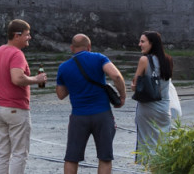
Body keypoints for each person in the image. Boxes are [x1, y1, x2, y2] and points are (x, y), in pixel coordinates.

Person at [55, 34, 127, 174]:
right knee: (105, 157)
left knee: (72, 157)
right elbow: (116, 76)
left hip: (78, 116)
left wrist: (74, 82)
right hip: (102, 114)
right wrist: (122, 96)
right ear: (89, 47)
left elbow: (61, 94)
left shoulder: (63, 67)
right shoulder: (99, 58)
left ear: (71, 48)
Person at [0, 19, 47, 174]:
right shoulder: (16, 54)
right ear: (17, 35)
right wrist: (37, 79)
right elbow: (17, 78)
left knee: (3, 153)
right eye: (27, 35)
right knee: (19, 153)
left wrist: (2, 93)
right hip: (15, 108)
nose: (30, 37)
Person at [131, 31, 173, 165]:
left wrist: (133, 83)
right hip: (164, 109)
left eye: (143, 42)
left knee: (146, 145)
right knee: (162, 143)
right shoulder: (168, 60)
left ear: (152, 43)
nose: (140, 44)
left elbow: (135, 85)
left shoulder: (144, 60)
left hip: (147, 109)